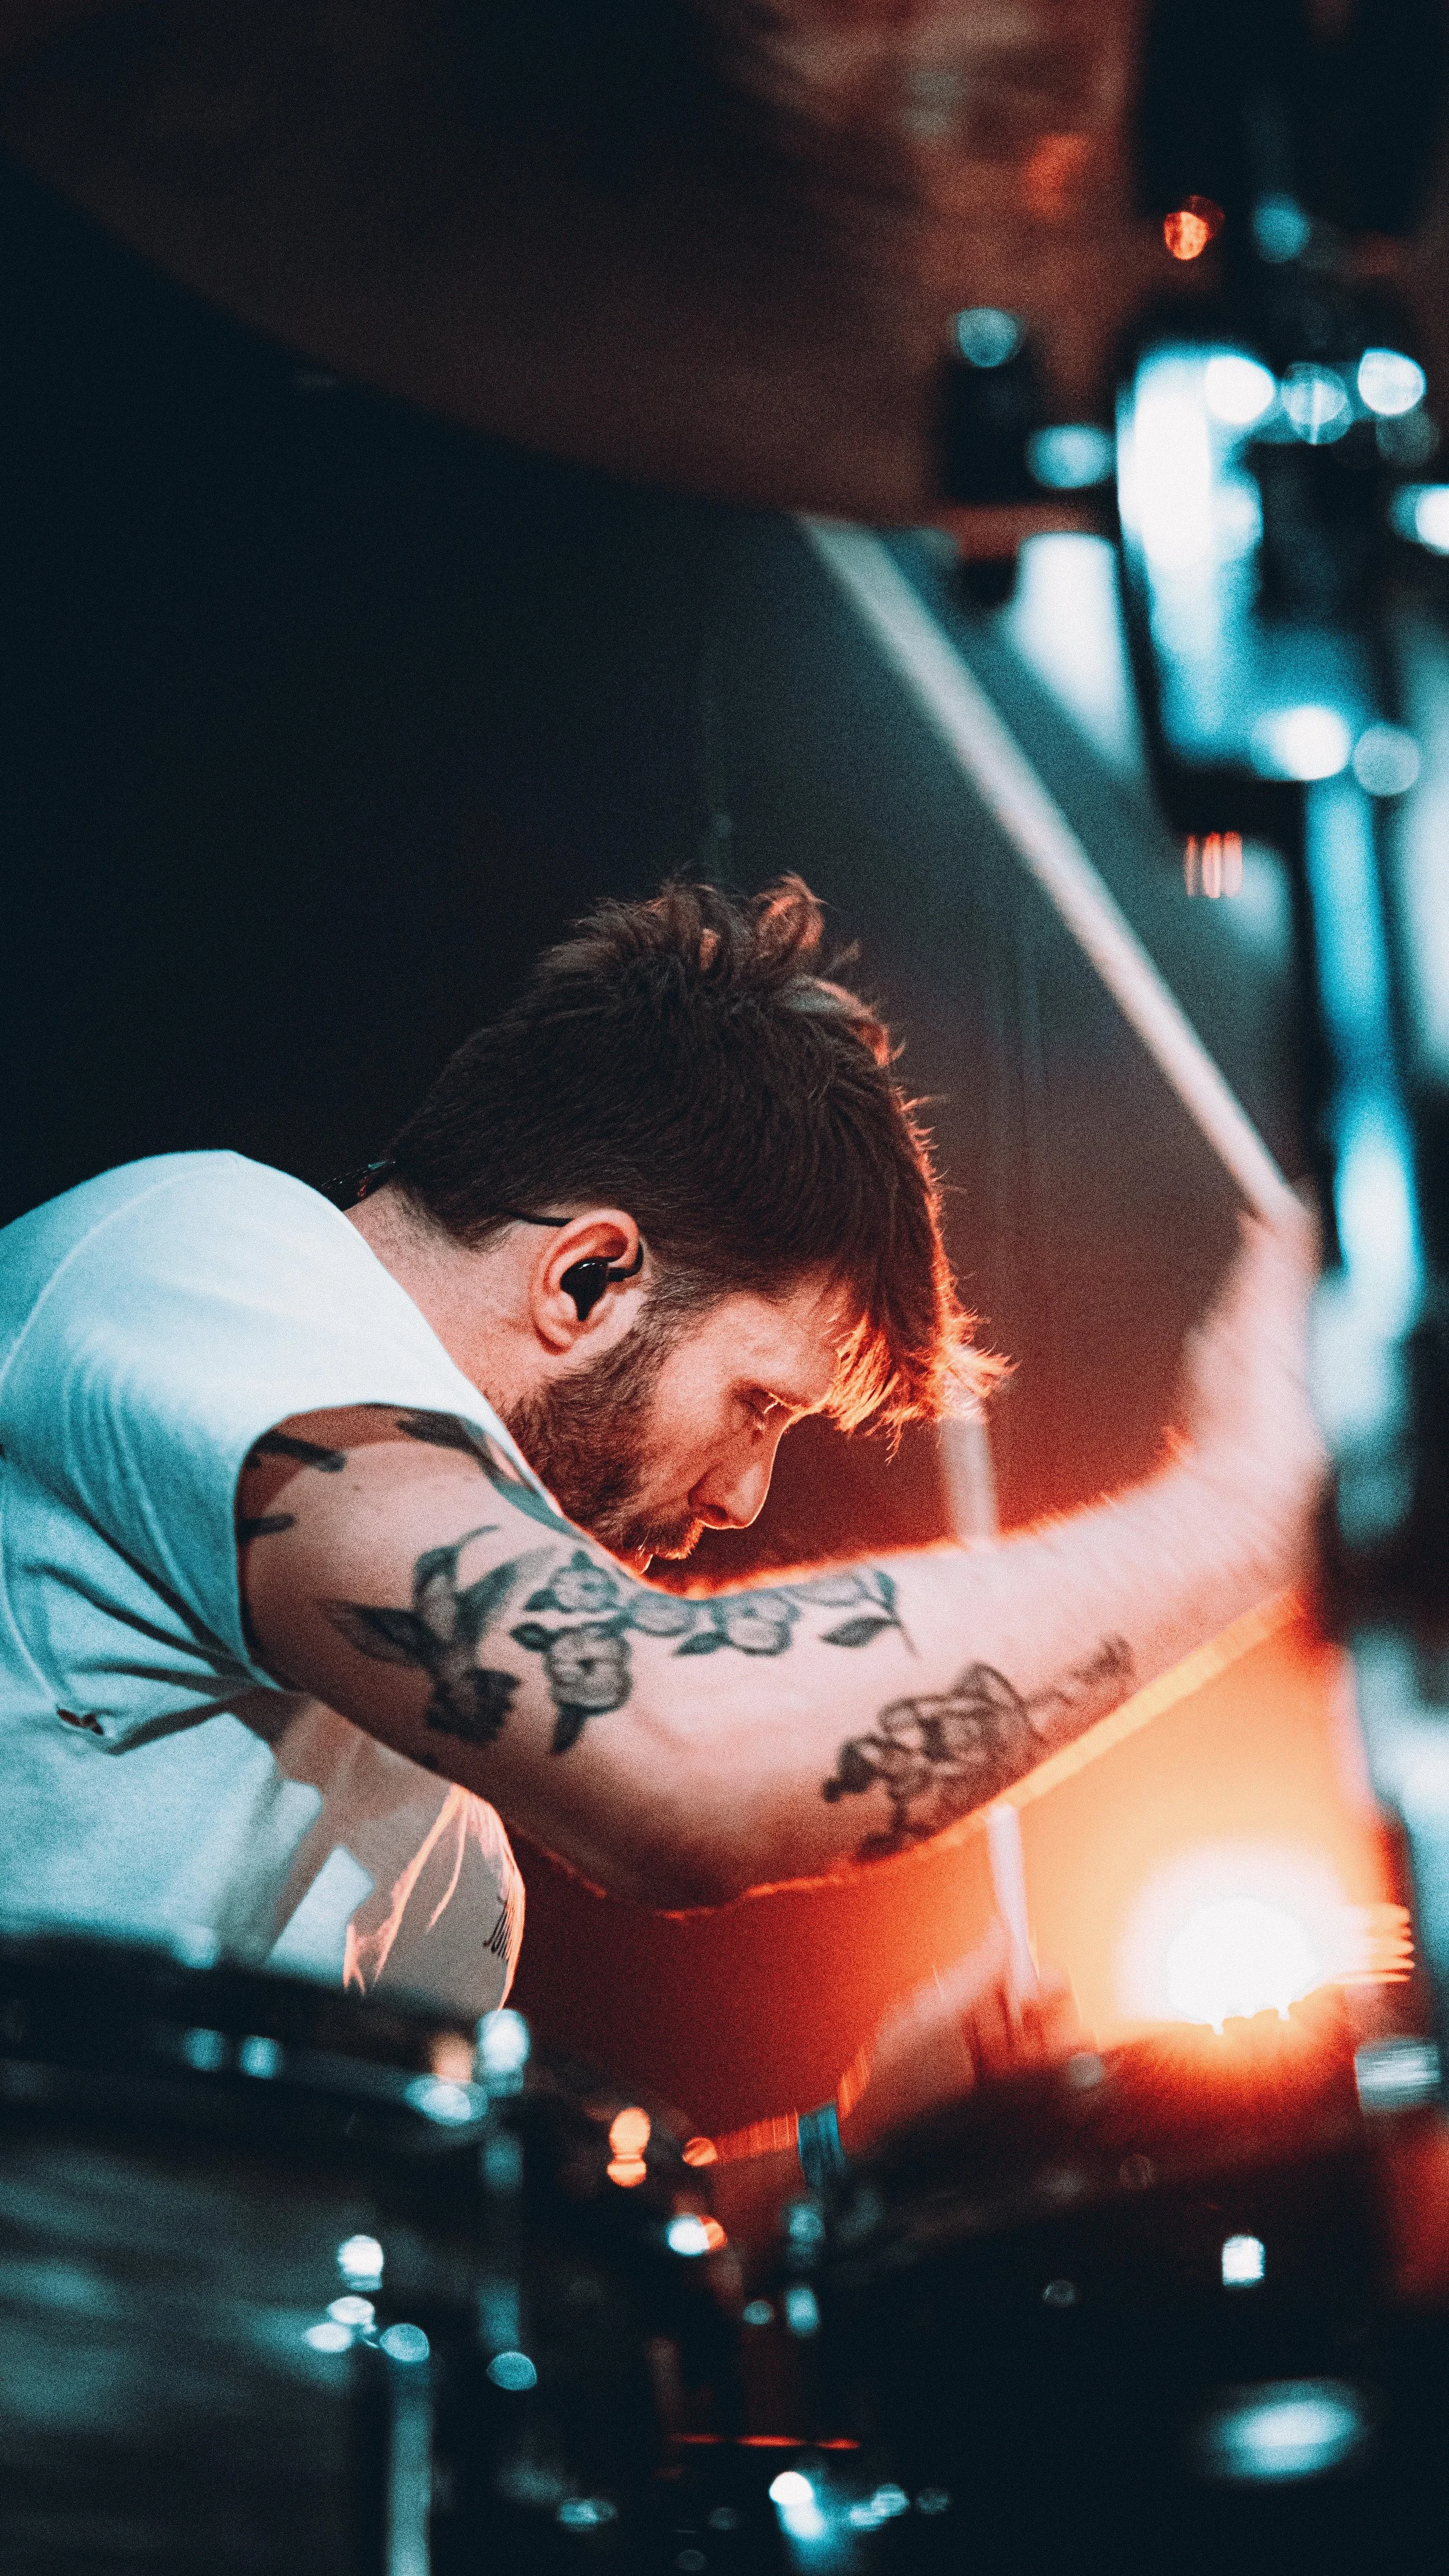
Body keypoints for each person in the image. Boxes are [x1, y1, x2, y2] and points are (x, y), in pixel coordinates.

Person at [0, 876, 1321, 2176]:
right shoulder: (196, 1263)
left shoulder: (451, 1854)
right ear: (588, 1276)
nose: (745, 1498)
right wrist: (1247, 1507)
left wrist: (849, 2153)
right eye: (758, 1405)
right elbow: (678, 1753)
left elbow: (444, 2258)